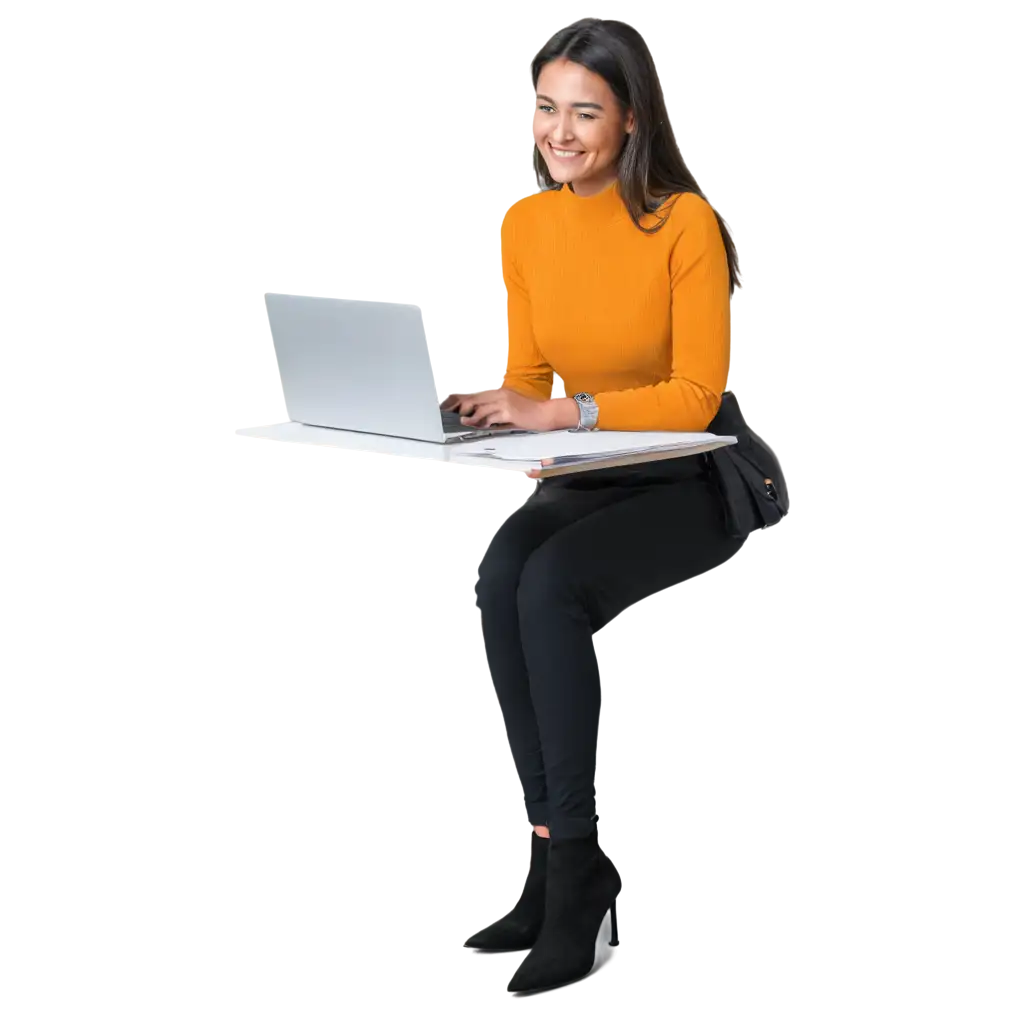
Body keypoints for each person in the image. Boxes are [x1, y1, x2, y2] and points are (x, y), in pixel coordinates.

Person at [449, 15, 745, 995]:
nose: (560, 132)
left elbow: (693, 394)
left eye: (586, 112)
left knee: (552, 586)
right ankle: (548, 864)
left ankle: (578, 879)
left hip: (685, 471)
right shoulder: (525, 221)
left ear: (629, 122)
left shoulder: (681, 222)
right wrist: (508, 416)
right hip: (586, 468)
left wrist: (564, 411)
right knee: (499, 570)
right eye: (546, 107)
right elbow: (526, 369)